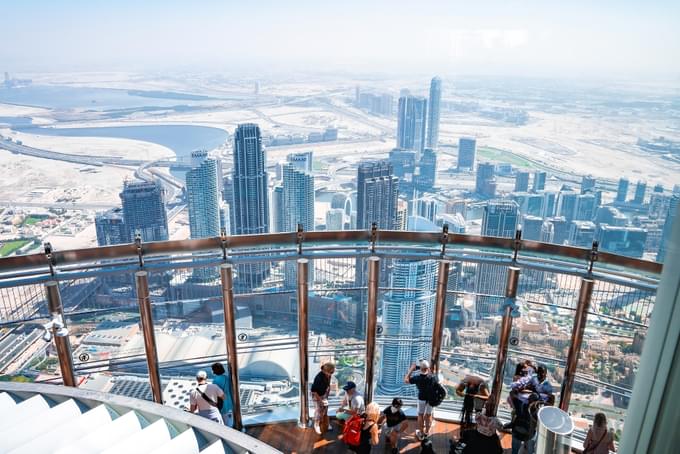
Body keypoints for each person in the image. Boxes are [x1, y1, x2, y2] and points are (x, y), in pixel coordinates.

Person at [404, 359, 437, 440]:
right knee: (428, 415)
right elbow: (431, 373)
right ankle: (427, 432)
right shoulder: (432, 377)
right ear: (428, 368)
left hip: (421, 398)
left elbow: (406, 380)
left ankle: (421, 433)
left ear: (420, 368)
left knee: (420, 415)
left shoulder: (417, 378)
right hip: (430, 399)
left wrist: (411, 370)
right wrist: (426, 367)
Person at [311, 362, 335, 435]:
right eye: (331, 372)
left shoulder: (328, 375)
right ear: (326, 371)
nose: (332, 373)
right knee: (318, 410)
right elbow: (314, 391)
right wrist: (320, 400)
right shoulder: (318, 378)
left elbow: (328, 384)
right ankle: (316, 425)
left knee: (325, 408)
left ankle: (325, 423)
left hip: (323, 394)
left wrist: (327, 394)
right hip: (317, 395)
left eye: (332, 372)